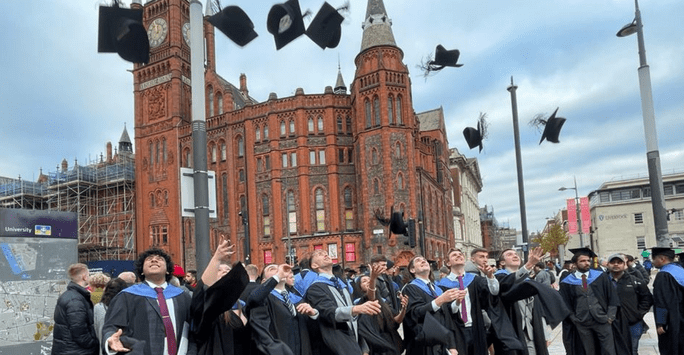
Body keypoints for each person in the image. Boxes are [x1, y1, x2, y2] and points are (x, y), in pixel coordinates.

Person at [102, 248, 197, 355]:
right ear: (141, 271)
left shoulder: (182, 297)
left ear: (167, 270)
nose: (154, 260)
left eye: (160, 259)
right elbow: (111, 327)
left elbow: (192, 331)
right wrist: (110, 339)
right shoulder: (126, 296)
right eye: (149, 259)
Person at [494, 247, 570, 355]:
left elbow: (538, 310)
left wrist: (545, 333)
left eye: (516, 254)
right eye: (509, 254)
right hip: (512, 332)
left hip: (532, 331)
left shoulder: (529, 281)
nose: (515, 255)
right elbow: (509, 284)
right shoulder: (499, 279)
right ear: (502, 262)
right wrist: (529, 265)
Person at [305, 249, 382, 354]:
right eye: (320, 254)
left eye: (326, 253)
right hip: (336, 347)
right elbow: (329, 312)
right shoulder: (315, 288)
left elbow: (354, 319)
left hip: (354, 344)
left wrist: (363, 347)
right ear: (314, 265)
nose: (326, 254)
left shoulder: (342, 285)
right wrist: (356, 308)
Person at [436, 248, 504, 355]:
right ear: (448, 263)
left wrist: (490, 277)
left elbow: (494, 292)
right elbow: (448, 311)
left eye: (460, 254)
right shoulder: (442, 285)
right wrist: (458, 301)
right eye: (454, 255)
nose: (458, 256)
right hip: (456, 330)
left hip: (476, 327)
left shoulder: (474, 280)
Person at [559, 247, 619, 355]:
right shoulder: (567, 281)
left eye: (588, 260)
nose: (586, 263)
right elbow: (564, 303)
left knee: (608, 351)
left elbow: (612, 296)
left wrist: (610, 317)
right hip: (582, 321)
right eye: (582, 261)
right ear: (574, 264)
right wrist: (574, 318)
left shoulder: (600, 277)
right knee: (589, 351)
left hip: (602, 320)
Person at [249, 263, 318, 355]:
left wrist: (313, 314)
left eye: (279, 268)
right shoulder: (264, 298)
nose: (279, 270)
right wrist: (278, 276)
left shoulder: (296, 298)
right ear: (264, 281)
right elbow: (254, 298)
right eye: (272, 269)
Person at [402, 255, 459, 355]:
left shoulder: (437, 289)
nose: (423, 261)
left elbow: (447, 319)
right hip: (422, 345)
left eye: (425, 260)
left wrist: (452, 345)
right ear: (412, 269)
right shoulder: (410, 288)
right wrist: (439, 301)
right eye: (419, 261)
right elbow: (416, 313)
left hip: (441, 345)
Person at [607, 253, 653, 355]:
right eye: (613, 262)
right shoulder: (602, 282)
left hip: (633, 323)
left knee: (632, 350)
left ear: (624, 265)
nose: (616, 265)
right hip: (611, 324)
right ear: (608, 264)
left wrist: (638, 314)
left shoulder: (635, 281)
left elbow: (647, 299)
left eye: (619, 262)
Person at [52, 263, 100, 355]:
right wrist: (93, 343)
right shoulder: (75, 300)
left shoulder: (70, 296)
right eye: (88, 275)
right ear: (84, 277)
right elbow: (79, 331)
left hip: (68, 349)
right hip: (76, 350)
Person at [651, 247, 684, 355]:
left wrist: (661, 323)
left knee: (671, 347)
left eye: (654, 258)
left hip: (673, 320)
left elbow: (661, 301)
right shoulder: (679, 270)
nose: (652, 261)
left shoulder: (664, 275)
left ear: (662, 258)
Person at [93, 278, 128, 355]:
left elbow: (96, 329)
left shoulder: (98, 307)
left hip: (104, 346)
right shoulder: (126, 307)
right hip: (123, 347)